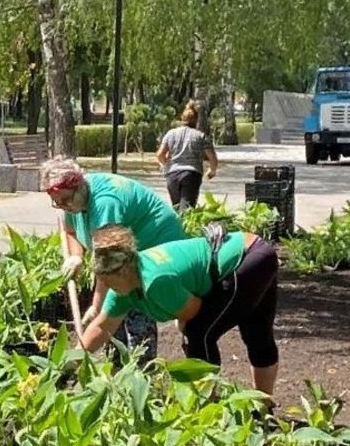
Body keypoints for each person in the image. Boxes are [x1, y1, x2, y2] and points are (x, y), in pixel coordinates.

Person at [78, 224, 280, 395]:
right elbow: (101, 327)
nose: (103, 285)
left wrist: (182, 322)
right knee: (257, 335)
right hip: (254, 251)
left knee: (200, 332)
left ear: (123, 271)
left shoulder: (155, 281)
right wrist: (71, 362)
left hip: (246, 259)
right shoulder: (123, 287)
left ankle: (208, 406)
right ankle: (262, 409)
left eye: (106, 279)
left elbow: (193, 311)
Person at [40, 156, 187, 363]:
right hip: (121, 255)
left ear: (79, 185)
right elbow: (71, 230)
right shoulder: (73, 201)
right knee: (113, 313)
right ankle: (117, 366)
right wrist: (76, 257)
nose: (64, 206)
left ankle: (141, 369)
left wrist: (96, 306)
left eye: (66, 200)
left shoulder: (106, 202)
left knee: (134, 303)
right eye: (58, 203)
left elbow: (109, 264)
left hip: (156, 246)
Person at [156, 100, 218, 210]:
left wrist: (167, 165)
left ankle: (176, 226)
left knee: (176, 208)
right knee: (187, 209)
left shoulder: (171, 134)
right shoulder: (200, 136)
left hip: (172, 175)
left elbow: (160, 154)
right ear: (196, 120)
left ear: (182, 119)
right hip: (191, 174)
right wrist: (211, 171)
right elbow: (212, 158)